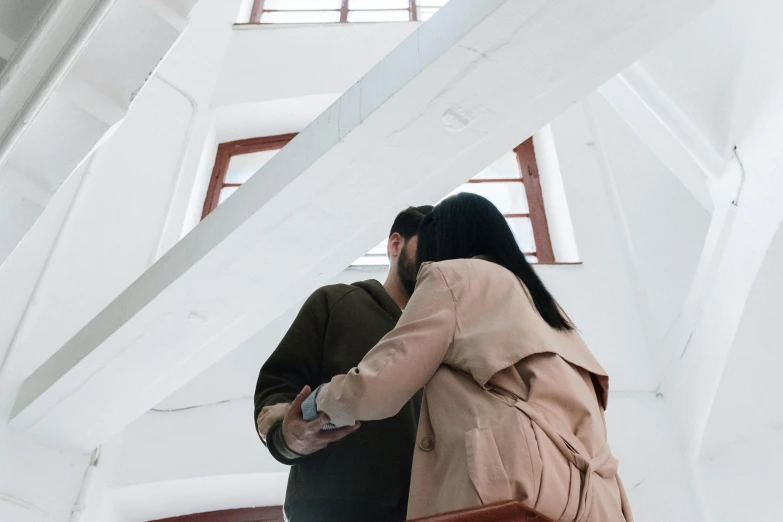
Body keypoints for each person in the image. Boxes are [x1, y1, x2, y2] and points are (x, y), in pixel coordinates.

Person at [307, 193, 634, 521]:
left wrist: (317, 405)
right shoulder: (551, 310)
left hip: (520, 479)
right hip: (599, 497)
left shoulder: (453, 277)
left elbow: (381, 382)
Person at [253, 205, 433, 522]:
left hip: (429, 510)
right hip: (335, 507)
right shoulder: (336, 303)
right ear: (396, 244)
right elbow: (276, 391)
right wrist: (289, 438)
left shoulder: (446, 339)